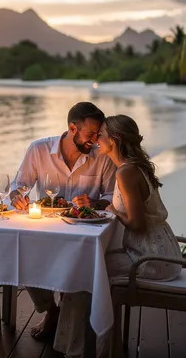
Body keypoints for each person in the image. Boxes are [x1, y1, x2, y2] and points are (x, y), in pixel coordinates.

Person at [53, 114, 182, 357]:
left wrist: (112, 210)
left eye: (100, 135)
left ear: (115, 139)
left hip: (151, 258)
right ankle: (93, 344)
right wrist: (101, 206)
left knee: (82, 271)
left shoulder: (126, 173)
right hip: (161, 250)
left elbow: (136, 223)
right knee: (85, 267)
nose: (96, 140)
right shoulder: (132, 167)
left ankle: (84, 349)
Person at [8, 101, 117, 341]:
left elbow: (110, 197)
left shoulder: (103, 156)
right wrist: (17, 197)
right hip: (46, 227)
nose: (95, 140)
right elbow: (19, 187)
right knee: (24, 252)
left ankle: (77, 320)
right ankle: (51, 310)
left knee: (80, 262)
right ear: (72, 128)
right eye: (90, 134)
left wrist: (94, 203)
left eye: (98, 135)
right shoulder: (38, 150)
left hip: (84, 230)